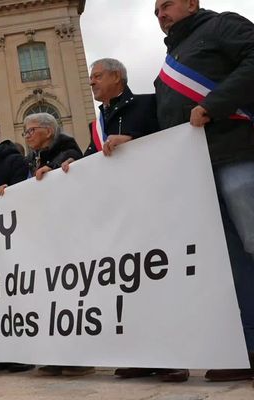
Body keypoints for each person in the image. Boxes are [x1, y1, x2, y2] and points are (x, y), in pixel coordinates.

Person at [154, 0, 254, 382]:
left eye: (167, 5)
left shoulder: (222, 25)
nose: (160, 13)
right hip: (201, 168)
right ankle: (248, 346)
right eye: (156, 10)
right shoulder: (168, 64)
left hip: (239, 153)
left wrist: (214, 104)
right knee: (232, 260)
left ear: (192, 3)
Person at [62, 58, 159, 172]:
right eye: (91, 78)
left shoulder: (149, 102)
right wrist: (75, 164)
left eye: (97, 76)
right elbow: (92, 158)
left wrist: (132, 140)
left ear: (116, 76)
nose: (91, 83)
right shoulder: (96, 126)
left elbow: (168, 137)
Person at [23, 112, 82, 181]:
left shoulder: (69, 153)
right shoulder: (28, 160)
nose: (27, 136)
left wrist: (53, 167)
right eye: (25, 133)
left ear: (48, 132)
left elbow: (73, 155)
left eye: (31, 130)